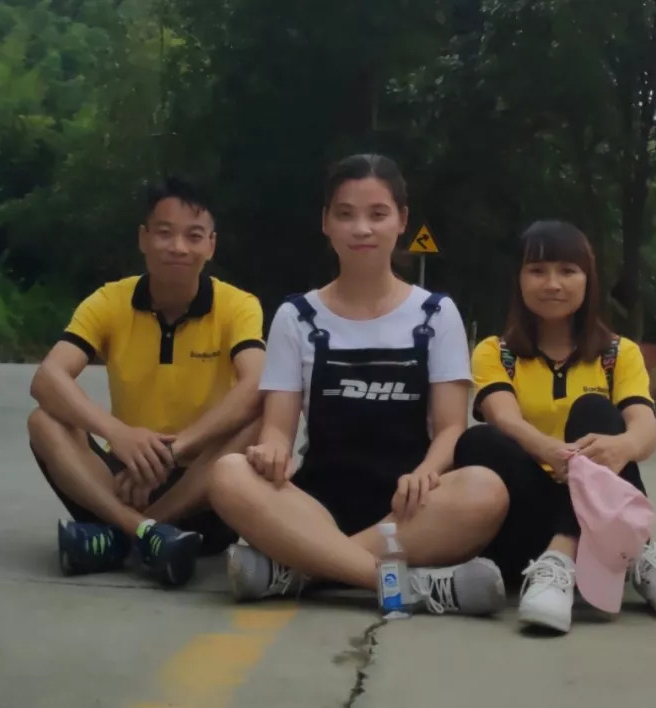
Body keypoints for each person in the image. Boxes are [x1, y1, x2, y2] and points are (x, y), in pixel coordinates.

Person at [207, 154, 510, 616]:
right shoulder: (296, 316)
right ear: (325, 223)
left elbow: (452, 427)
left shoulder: (435, 314)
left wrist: (427, 472)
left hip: (408, 509)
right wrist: (271, 452)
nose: (361, 229)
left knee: (486, 489)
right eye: (345, 214)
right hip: (314, 506)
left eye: (377, 214)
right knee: (229, 474)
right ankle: (405, 585)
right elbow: (277, 430)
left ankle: (302, 567)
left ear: (402, 220)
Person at [452, 219, 656, 634]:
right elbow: (504, 417)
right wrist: (555, 453)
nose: (552, 284)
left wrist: (621, 448)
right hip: (524, 520)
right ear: (518, 280)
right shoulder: (497, 352)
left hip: (592, 498)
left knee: (596, 412)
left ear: (589, 280)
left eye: (567, 271)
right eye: (537, 271)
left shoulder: (618, 354)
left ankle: (563, 557)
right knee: (479, 442)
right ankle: (630, 546)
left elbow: (643, 428)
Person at [27, 177, 266, 587]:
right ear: (143, 238)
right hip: (119, 483)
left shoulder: (237, 306)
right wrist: (117, 434)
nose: (178, 247)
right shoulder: (110, 301)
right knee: (42, 420)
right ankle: (144, 534)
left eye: (193, 236)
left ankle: (123, 536)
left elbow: (257, 384)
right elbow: (48, 377)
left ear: (211, 245)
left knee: (258, 422)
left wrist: (174, 451)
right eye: (165, 233)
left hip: (201, 488)